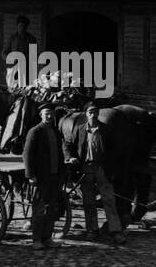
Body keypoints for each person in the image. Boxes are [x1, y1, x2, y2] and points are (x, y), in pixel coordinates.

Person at [65, 102, 126, 244]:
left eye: (95, 112)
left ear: (98, 114)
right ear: (86, 114)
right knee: (88, 201)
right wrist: (70, 157)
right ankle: (92, 230)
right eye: (90, 112)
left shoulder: (106, 130)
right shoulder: (80, 130)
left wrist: (112, 166)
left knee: (109, 200)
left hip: (102, 169)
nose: (93, 115)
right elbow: (68, 144)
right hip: (86, 169)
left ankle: (116, 231)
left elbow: (115, 150)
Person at [23, 104, 64, 250]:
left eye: (51, 113)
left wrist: (62, 174)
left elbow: (60, 155)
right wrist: (31, 175)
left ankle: (47, 238)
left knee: (51, 209)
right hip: (40, 178)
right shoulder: (35, 132)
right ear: (41, 115)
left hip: (53, 176)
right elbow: (27, 155)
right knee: (38, 209)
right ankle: (36, 240)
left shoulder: (55, 132)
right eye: (46, 113)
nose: (49, 116)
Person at [2, 15, 38, 88]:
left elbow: (33, 55)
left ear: (26, 27)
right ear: (17, 26)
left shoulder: (32, 39)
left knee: (25, 89)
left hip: (26, 69)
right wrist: (10, 59)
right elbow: (4, 53)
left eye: (24, 26)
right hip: (14, 68)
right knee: (13, 89)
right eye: (20, 26)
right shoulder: (12, 38)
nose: (22, 28)